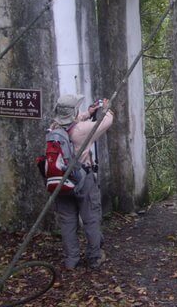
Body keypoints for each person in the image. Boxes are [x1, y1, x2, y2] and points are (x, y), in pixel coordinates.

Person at [51, 93, 114, 270]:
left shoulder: (54, 128)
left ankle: (71, 259)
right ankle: (94, 256)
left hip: (61, 182)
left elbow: (70, 122)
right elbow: (105, 122)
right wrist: (106, 109)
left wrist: (88, 112)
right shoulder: (81, 130)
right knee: (90, 218)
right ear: (73, 111)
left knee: (67, 221)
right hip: (82, 179)